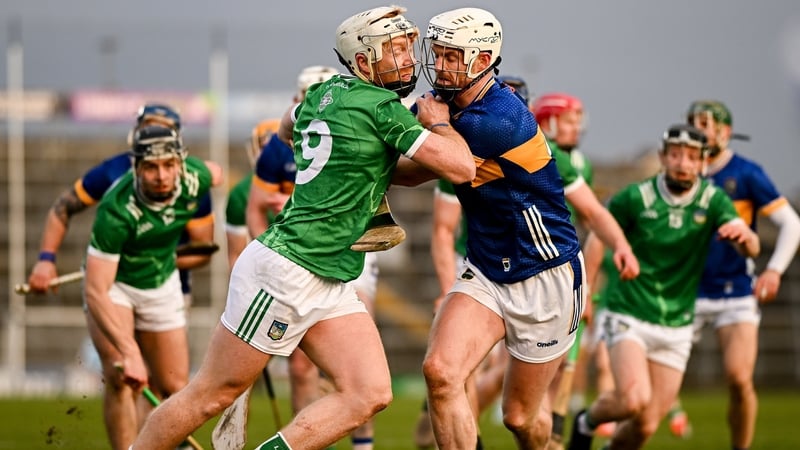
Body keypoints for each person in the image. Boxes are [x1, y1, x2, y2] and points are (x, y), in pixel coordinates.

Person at [131, 5, 476, 449]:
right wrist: (441, 123)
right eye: (394, 50)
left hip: (330, 275)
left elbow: (284, 128)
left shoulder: (324, 92)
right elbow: (462, 167)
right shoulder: (383, 108)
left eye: (408, 47)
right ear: (365, 61)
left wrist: (360, 167)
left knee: (369, 392)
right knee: (210, 394)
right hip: (288, 270)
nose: (408, 59)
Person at [417, 9, 638, 449]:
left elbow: (440, 156)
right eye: (437, 53)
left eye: (450, 56)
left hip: (545, 276)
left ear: (481, 60)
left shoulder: (499, 119)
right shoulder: (450, 107)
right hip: (485, 269)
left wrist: (431, 124)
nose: (439, 65)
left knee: (520, 418)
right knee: (441, 373)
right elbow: (412, 163)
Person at [568, 124, 760, 450]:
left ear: (702, 163)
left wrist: (746, 239)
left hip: (676, 324)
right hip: (630, 311)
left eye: (690, 157)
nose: (682, 163)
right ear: (663, 157)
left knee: (644, 426)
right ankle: (585, 423)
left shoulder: (714, 200)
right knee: (633, 399)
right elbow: (600, 235)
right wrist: (585, 289)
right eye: (675, 155)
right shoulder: (636, 197)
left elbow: (751, 246)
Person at [244, 64, 381, 450]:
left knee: (363, 362)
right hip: (299, 257)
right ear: (297, 100)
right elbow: (254, 209)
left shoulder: (357, 127)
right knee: (301, 365)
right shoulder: (277, 149)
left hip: (354, 250)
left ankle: (362, 445)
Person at [83, 125, 222, 450]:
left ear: (181, 163)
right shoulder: (116, 210)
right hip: (117, 285)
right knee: (122, 378)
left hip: (162, 280)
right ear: (136, 167)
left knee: (176, 386)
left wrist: (215, 176)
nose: (161, 175)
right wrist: (129, 352)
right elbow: (96, 291)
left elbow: (215, 173)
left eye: (169, 165)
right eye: (151, 167)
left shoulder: (194, 178)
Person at [686, 100, 800, 450]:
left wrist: (775, 271)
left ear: (727, 132)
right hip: (684, 290)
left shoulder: (746, 173)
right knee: (644, 385)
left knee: (738, 379)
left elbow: (791, 224)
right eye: (695, 123)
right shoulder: (681, 171)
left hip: (734, 290)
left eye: (707, 123)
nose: (700, 130)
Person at [27, 103, 214, 299]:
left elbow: (203, 250)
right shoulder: (113, 171)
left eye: (163, 130)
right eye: (148, 129)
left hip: (169, 289)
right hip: (114, 287)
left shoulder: (192, 183)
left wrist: (148, 261)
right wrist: (46, 260)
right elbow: (63, 208)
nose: (154, 137)